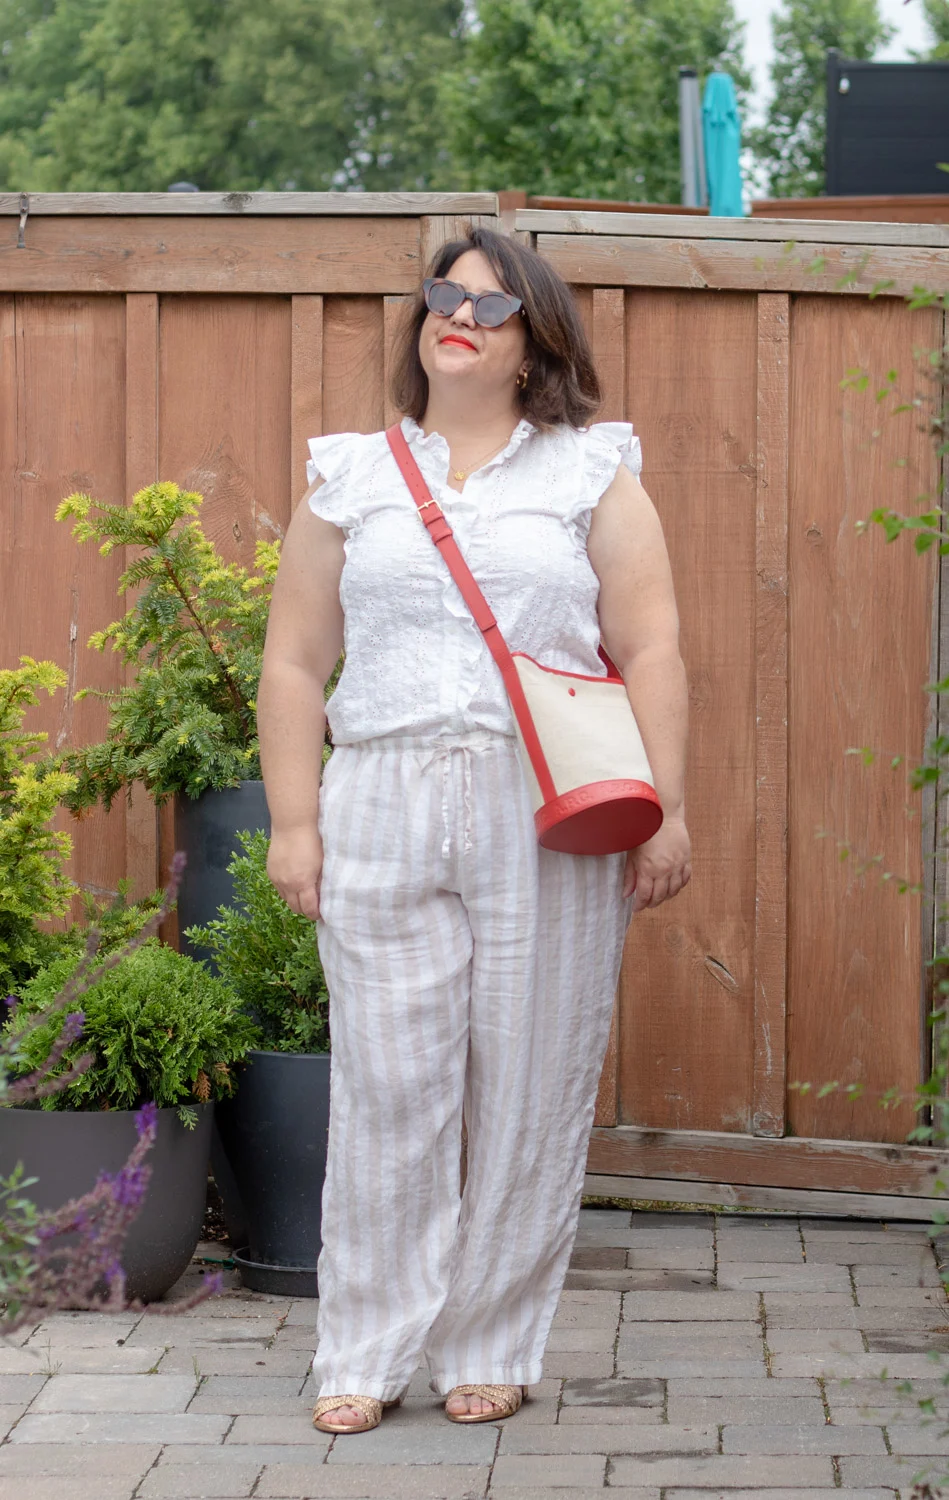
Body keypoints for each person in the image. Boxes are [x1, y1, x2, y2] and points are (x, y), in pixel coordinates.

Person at [256, 225, 690, 1434]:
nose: (457, 313)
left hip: (540, 802)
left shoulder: (590, 474)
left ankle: (488, 1341)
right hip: (383, 794)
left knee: (530, 1076)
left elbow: (652, 647)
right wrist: (296, 819)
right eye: (443, 294)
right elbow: (293, 662)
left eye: (491, 305)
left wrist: (667, 810)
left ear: (530, 343)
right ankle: (364, 1347)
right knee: (391, 1086)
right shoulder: (350, 477)